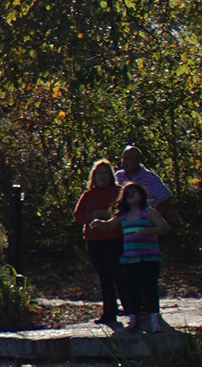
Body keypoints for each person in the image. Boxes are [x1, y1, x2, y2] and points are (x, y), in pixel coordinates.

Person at [72, 159, 125, 326]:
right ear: (93, 176)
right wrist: (93, 216)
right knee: (104, 276)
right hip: (94, 240)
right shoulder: (88, 195)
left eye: (105, 173)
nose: (102, 176)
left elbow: (126, 212)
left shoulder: (119, 192)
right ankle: (109, 312)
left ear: (111, 175)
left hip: (115, 238)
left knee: (118, 274)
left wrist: (109, 216)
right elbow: (77, 215)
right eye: (99, 173)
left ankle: (131, 309)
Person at [115, 178, 170, 333]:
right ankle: (134, 320)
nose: (132, 195)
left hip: (149, 256)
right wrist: (99, 223)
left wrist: (148, 231)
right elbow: (110, 225)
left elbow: (164, 227)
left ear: (142, 194)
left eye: (135, 192)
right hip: (130, 257)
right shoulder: (123, 216)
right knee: (132, 288)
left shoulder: (149, 212)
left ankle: (154, 320)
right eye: (128, 193)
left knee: (150, 287)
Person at [116, 139, 172, 209]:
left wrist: (154, 216)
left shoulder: (150, 178)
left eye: (128, 158)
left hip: (142, 217)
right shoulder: (118, 176)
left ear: (138, 160)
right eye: (123, 158)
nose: (124, 161)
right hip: (123, 217)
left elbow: (166, 197)